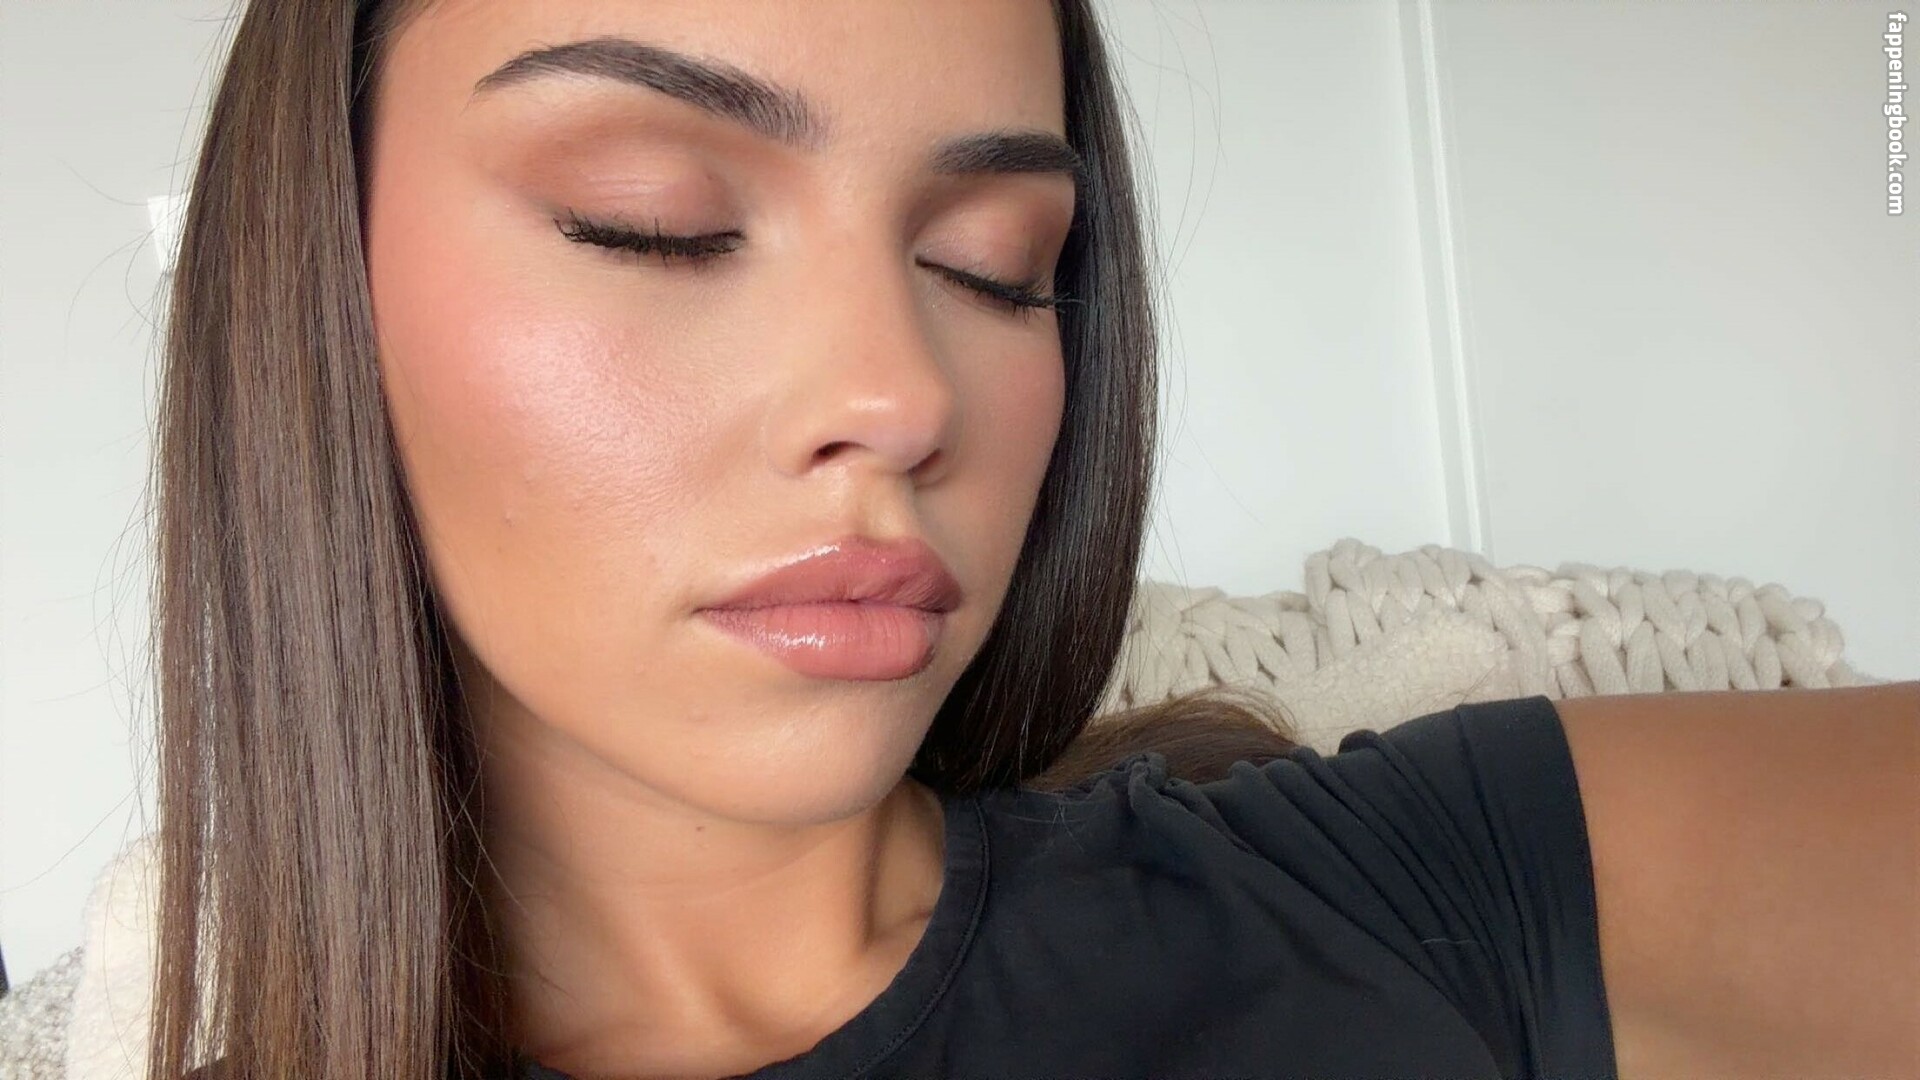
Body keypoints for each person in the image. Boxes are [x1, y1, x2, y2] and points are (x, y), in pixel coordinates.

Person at [136, 1, 1916, 1078]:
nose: (904, 393)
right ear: (313, 284)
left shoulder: (1395, 884)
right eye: (653, 222)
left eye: (994, 265)